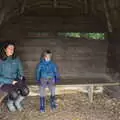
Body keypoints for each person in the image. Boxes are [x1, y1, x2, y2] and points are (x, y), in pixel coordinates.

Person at [0, 41, 29, 112]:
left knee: (25, 91)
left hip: (16, 79)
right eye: (9, 48)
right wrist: (10, 81)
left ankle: (17, 102)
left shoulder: (16, 58)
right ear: (5, 49)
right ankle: (10, 103)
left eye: (13, 49)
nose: (11, 50)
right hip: (4, 82)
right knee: (14, 94)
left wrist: (21, 76)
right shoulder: (0, 60)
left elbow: (20, 69)